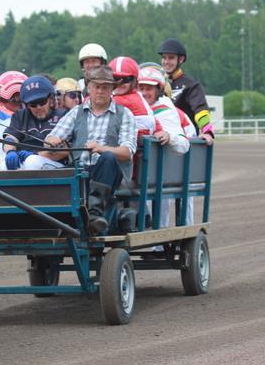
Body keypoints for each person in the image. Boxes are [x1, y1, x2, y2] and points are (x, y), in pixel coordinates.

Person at [45, 66, 137, 235]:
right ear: (89, 87)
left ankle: (94, 215)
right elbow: (51, 139)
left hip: (112, 174)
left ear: (112, 90)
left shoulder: (125, 114)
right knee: (56, 173)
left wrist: (101, 149)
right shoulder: (76, 112)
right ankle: (59, 223)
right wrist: (53, 141)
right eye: (96, 86)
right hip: (80, 171)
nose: (100, 91)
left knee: (108, 158)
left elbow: (126, 152)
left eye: (105, 87)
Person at [138, 66, 195, 229]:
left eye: (148, 88)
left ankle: (163, 233)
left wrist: (169, 137)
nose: (143, 92)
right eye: (140, 88)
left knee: (158, 186)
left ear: (160, 90)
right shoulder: (137, 107)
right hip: (153, 168)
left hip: (172, 168)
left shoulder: (168, 111)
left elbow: (184, 142)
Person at [0, 76, 67, 171]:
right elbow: (10, 138)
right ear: (26, 105)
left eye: (42, 102)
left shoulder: (63, 116)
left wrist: (36, 155)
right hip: (25, 160)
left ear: (51, 100)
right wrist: (10, 151)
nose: (38, 107)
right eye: (33, 104)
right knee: (4, 166)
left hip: (55, 164)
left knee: (31, 161)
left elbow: (66, 150)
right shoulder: (20, 116)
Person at [158, 38, 214, 144]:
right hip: (161, 137)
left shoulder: (191, 85)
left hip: (184, 140)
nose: (166, 62)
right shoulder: (157, 83)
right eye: (164, 58)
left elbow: (200, 110)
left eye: (171, 58)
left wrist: (207, 131)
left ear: (181, 59)